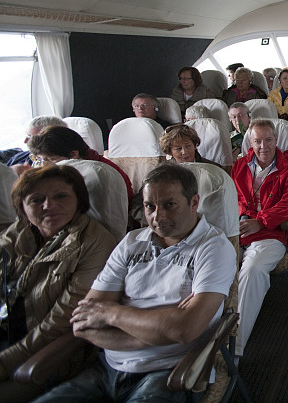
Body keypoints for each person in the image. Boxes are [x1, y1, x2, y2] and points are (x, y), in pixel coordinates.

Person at [34, 162, 236, 403]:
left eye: (169, 205)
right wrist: (162, 330)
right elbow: (83, 324)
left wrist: (111, 313)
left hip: (169, 371)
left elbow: (185, 329)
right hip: (107, 368)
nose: (157, 216)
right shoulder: (131, 242)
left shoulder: (213, 247)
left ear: (194, 202)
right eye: (150, 206)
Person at [0, 165, 117, 402]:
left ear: (79, 200)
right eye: (36, 199)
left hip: (48, 351)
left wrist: (5, 361)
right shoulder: (17, 234)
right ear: (22, 207)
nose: (48, 205)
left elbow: (62, 321)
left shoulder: (94, 242)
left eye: (60, 196)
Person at [230, 119, 288, 357]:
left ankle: (234, 348)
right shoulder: (240, 166)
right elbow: (231, 198)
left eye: (269, 140)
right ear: (250, 143)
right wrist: (240, 220)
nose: (263, 146)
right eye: (257, 141)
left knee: (252, 269)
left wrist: (260, 221)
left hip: (270, 233)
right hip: (238, 229)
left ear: (276, 140)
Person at [26, 126, 134, 201]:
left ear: (73, 154)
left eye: (52, 159)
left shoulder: (101, 173)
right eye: (42, 160)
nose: (44, 166)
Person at [158, 124, 223, 169]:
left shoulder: (213, 168)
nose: (184, 152)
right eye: (178, 148)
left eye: (188, 146)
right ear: (170, 151)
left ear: (195, 146)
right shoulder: (162, 172)